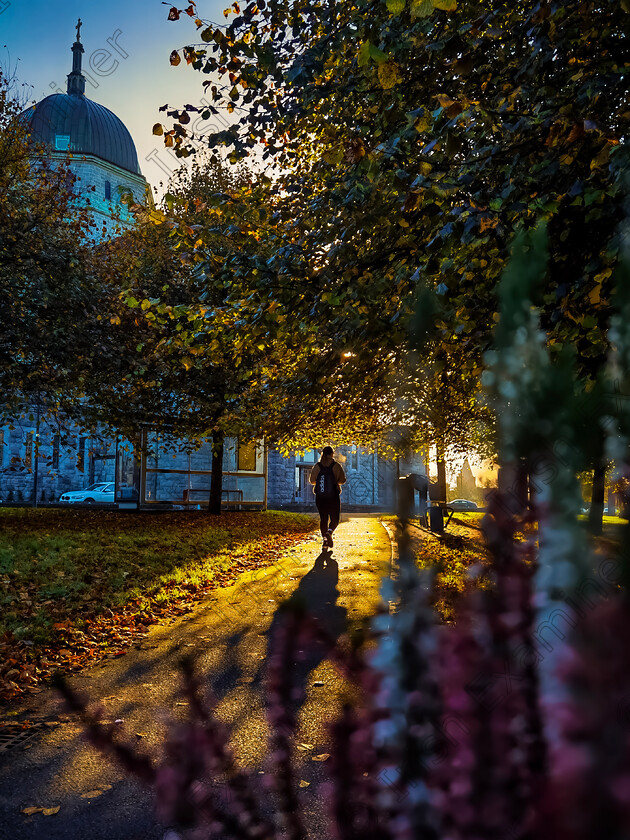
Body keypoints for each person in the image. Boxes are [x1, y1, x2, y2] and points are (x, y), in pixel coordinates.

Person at [309, 446, 346, 549]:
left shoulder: (317, 466)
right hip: (333, 497)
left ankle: (325, 540)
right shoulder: (336, 466)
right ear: (331, 454)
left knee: (323, 519)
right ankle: (329, 532)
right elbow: (342, 480)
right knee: (334, 519)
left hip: (320, 498)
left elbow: (312, 481)